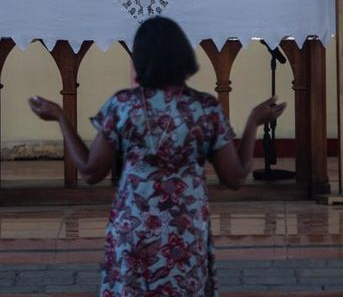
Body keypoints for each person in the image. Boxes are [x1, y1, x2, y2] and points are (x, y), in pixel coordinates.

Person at [28, 16, 284, 296]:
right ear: (183, 55)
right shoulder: (204, 109)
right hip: (184, 233)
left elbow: (90, 172)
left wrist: (60, 117)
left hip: (134, 230)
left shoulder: (123, 106)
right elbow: (235, 177)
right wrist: (253, 123)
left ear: (139, 59)